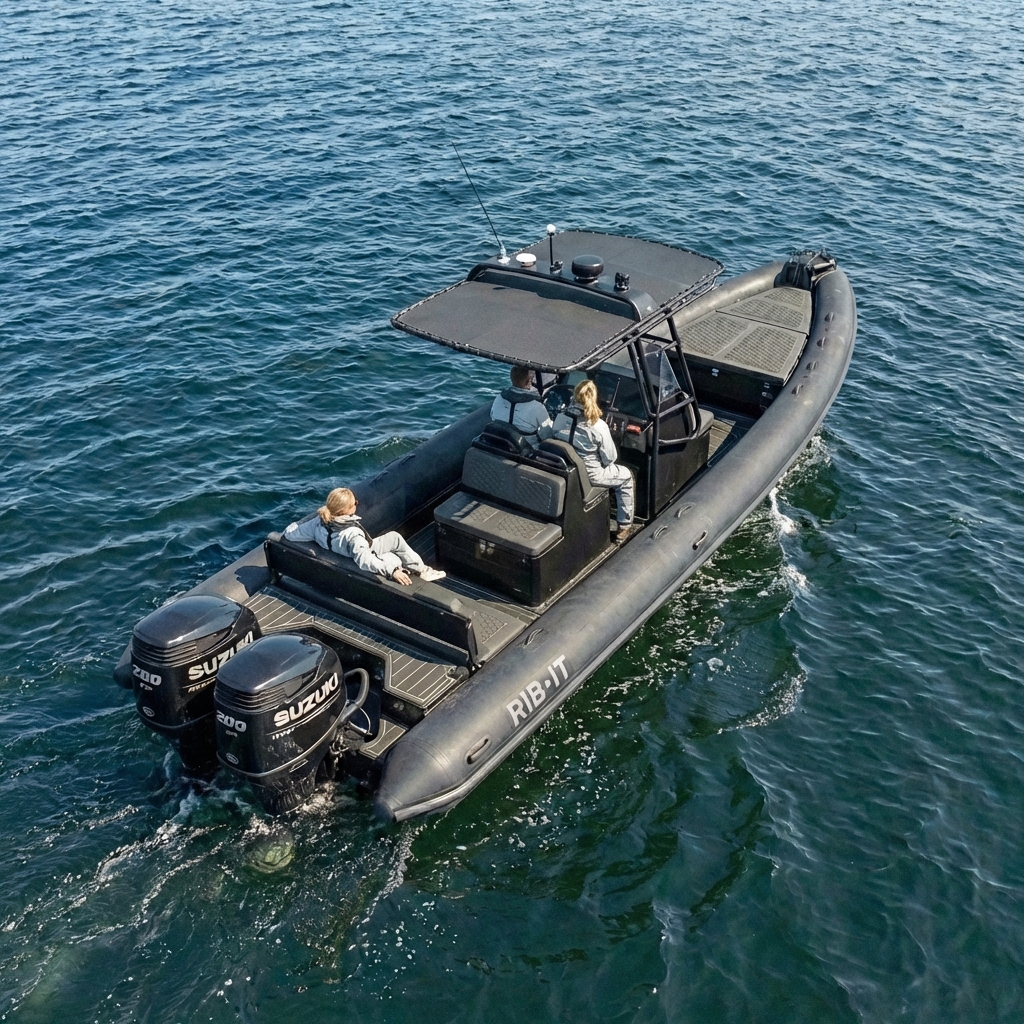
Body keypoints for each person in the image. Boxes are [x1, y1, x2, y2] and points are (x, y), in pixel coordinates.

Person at [284, 488, 445, 585]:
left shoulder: (318, 522)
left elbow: (291, 533)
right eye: (354, 503)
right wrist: (392, 571)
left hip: (342, 549)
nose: (356, 503)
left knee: (394, 537)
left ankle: (419, 568)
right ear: (346, 510)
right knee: (394, 559)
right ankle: (421, 570)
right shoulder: (353, 535)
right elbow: (365, 560)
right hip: (358, 552)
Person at [552, 379, 637, 543]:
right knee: (626, 476)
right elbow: (610, 458)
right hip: (591, 475)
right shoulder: (598, 426)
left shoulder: (561, 417)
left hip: (565, 468)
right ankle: (624, 527)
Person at [490, 365, 554, 447]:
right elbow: (547, 435)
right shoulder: (537, 407)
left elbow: (492, 416)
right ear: (528, 382)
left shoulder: (499, 398)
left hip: (500, 442)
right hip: (525, 448)